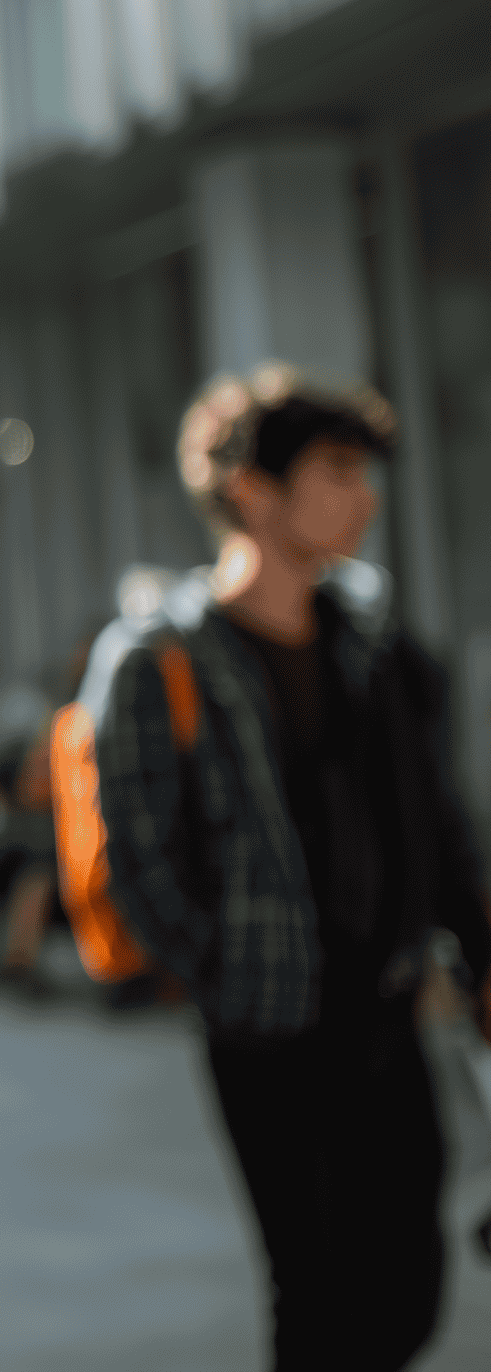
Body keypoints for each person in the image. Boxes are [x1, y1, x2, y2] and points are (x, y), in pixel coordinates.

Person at [94, 365, 491, 1372]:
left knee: (408, 1286)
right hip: (268, 1027)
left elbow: (435, 819)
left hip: (388, 1007)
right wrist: (222, 972)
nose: (362, 496)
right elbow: (138, 848)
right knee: (311, 1290)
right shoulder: (161, 656)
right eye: (336, 469)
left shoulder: (375, 641)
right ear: (249, 488)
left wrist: (476, 951)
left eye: (364, 472)